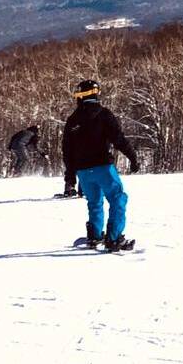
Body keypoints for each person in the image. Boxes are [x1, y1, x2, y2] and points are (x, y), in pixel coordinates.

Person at [62, 80, 139, 251]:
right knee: (118, 198)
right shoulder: (103, 114)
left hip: (83, 172)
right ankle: (113, 238)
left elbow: (67, 150)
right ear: (96, 94)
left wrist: (70, 174)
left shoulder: (72, 120)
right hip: (103, 167)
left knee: (95, 203)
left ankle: (95, 237)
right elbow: (118, 139)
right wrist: (132, 157)